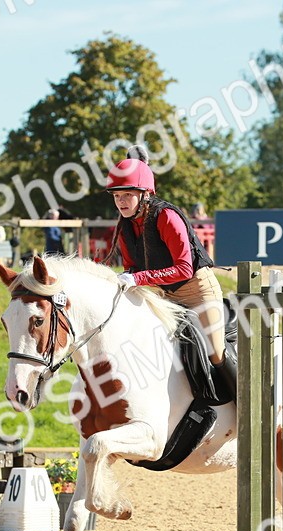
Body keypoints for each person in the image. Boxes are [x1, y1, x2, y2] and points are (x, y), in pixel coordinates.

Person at [105, 146, 236, 398]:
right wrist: (129, 279)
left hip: (197, 290)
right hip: (162, 294)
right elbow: (131, 268)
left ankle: (246, 403)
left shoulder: (166, 216)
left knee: (216, 352)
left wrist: (137, 278)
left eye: (127, 195)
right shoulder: (124, 226)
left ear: (144, 194)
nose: (121, 201)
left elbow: (184, 268)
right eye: (116, 196)